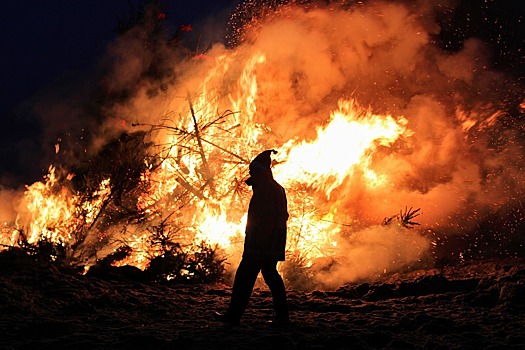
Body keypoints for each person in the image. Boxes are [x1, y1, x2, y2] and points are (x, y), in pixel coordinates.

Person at [214, 149, 289, 326]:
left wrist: (258, 246)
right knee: (270, 275)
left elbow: (268, 220)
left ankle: (233, 317)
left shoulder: (267, 190)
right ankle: (282, 318)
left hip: (262, 244)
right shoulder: (270, 187)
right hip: (269, 243)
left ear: (261, 172)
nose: (251, 175)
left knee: (244, 278)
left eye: (253, 171)